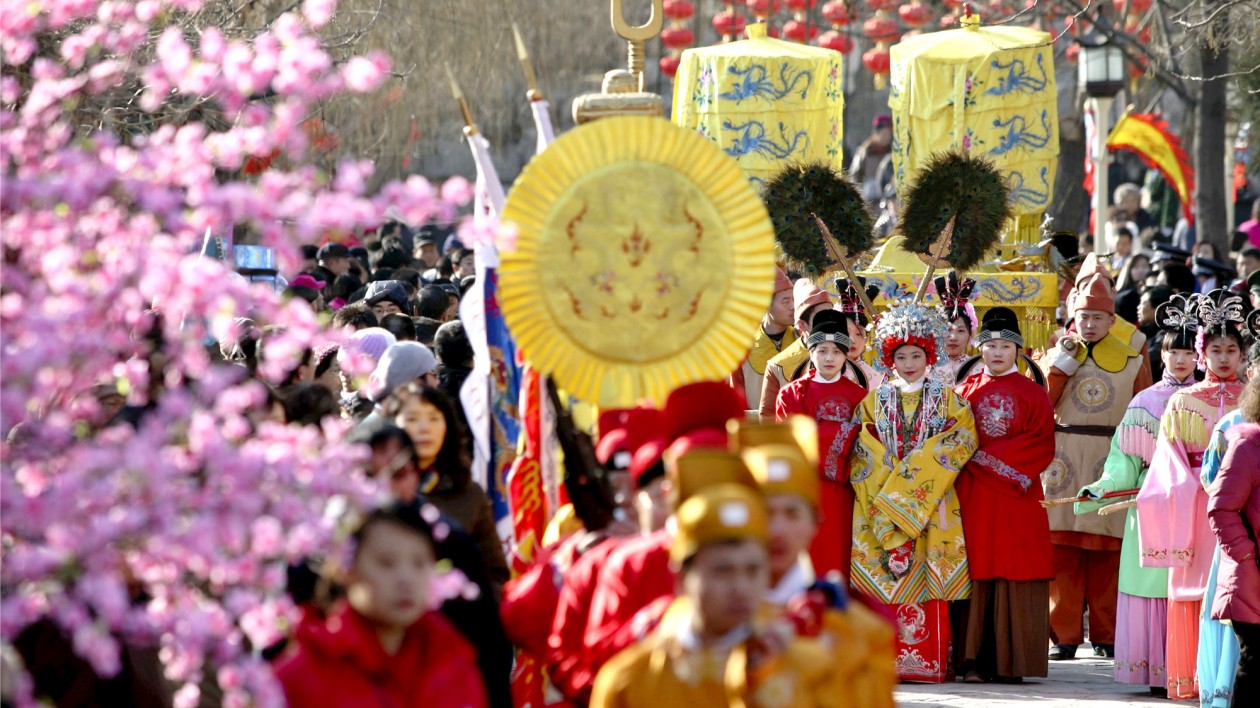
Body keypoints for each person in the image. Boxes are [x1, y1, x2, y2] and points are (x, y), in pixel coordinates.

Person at [590, 484, 834, 708]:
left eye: (753, 571)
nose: (740, 587)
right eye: (722, 571)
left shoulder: (809, 669)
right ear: (682, 579)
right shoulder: (630, 680)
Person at [1075, 297, 1199, 695]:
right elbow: (1122, 464)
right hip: (1150, 506)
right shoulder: (1144, 403)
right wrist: (1102, 486)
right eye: (1172, 351)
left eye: (1186, 352)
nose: (1180, 360)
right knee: (1150, 584)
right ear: (1161, 355)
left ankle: (1193, 669)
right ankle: (1158, 671)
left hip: (1197, 507)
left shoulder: (1212, 401)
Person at [850, 301, 978, 683]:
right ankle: (879, 662)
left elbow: (961, 439)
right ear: (890, 358)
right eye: (901, 356)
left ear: (930, 355)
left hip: (933, 502)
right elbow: (862, 448)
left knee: (927, 578)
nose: (909, 363)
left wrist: (908, 484)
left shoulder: (950, 400)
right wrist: (893, 486)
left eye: (916, 355)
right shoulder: (873, 402)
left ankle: (929, 662)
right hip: (879, 502)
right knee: (883, 576)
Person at [1136, 288, 1247, 700]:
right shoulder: (1183, 401)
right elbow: (1168, 462)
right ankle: (1192, 679)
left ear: (1242, 354)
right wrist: (1204, 483)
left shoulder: (1252, 400)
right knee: (1194, 589)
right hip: (1195, 505)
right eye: (1216, 348)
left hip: (1243, 506)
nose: (1223, 358)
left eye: (1231, 349)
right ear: (1204, 352)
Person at [1040, 254, 1152, 661]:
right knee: (1064, 551)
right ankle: (1064, 636)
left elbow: (1144, 413)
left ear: (1111, 320)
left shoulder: (1134, 358)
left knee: (1108, 552)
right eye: (1083, 315)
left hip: (1114, 458)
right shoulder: (1054, 356)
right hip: (1063, 459)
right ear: (1073, 316)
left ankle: (1107, 635)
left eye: (1097, 317)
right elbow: (1040, 407)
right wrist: (1058, 370)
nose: (1089, 323)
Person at [273, 503, 488, 708]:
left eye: (419, 563)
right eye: (387, 563)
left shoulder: (453, 660)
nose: (406, 579)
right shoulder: (302, 675)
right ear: (346, 568)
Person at [954, 307, 1056, 684]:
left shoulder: (1035, 394)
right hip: (972, 495)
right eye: (990, 345)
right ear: (980, 349)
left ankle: (1013, 663)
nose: (996, 353)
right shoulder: (963, 392)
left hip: (1017, 494)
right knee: (974, 568)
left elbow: (1041, 443)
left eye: (1004, 346)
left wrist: (981, 458)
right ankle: (971, 661)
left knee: (1014, 566)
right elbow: (949, 441)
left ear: (1019, 350)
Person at [383, 384, 509, 594]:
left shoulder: (468, 493)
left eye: (434, 418)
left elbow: (495, 573)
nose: (425, 427)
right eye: (413, 419)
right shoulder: (377, 491)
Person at [774, 309, 866, 579]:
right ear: (810, 351)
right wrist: (844, 434)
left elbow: (866, 443)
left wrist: (823, 432)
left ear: (846, 354)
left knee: (843, 558)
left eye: (836, 352)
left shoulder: (860, 396)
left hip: (846, 494)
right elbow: (792, 442)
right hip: (807, 492)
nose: (829, 358)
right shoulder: (791, 394)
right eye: (822, 350)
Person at [1199, 338, 1260, 707]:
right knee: (1254, 667)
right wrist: (1246, 554)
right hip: (1250, 575)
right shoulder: (1247, 442)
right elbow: (1221, 508)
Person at [757, 279, 833, 421]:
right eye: (820, 318)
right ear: (802, 325)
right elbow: (768, 418)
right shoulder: (778, 366)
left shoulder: (847, 356)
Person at [729, 267, 796, 413]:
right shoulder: (742, 346)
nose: (793, 306)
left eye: (794, 299)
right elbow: (736, 399)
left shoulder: (801, 340)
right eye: (785, 301)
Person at [933, 272, 977, 385]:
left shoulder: (979, 370)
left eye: (961, 330)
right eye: (947, 330)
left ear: (970, 334)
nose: (953, 337)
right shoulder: (924, 368)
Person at [851, 114, 893, 206]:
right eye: (884, 134)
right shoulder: (865, 151)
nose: (887, 137)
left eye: (888, 134)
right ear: (875, 133)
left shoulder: (892, 152)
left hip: (888, 198)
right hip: (869, 198)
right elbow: (855, 175)